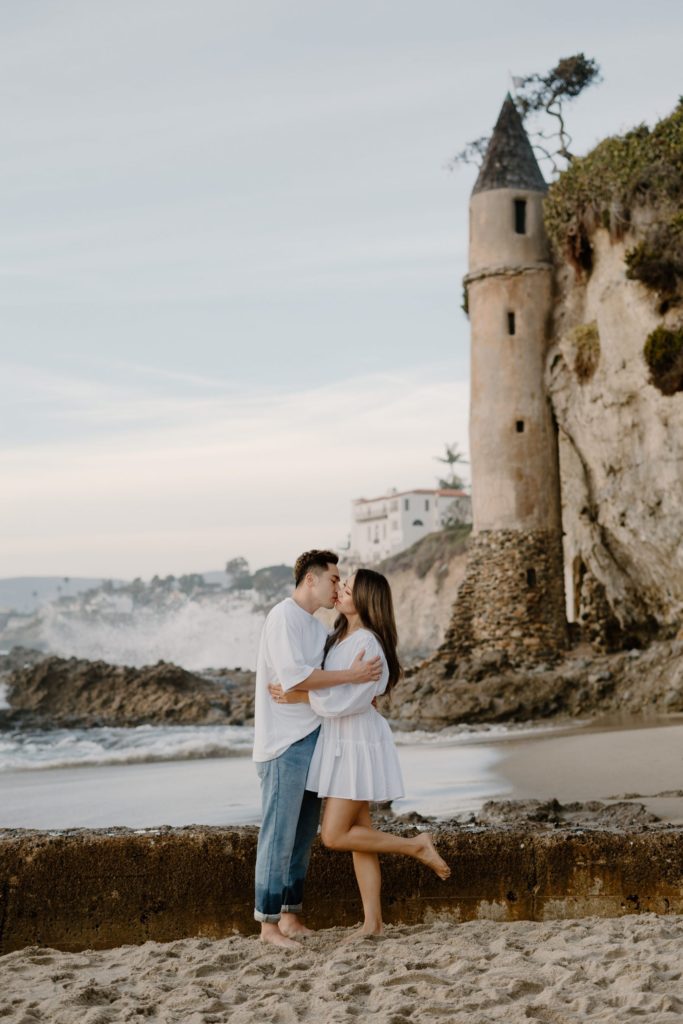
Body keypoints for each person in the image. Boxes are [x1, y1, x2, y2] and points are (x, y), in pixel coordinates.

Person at [269, 568, 450, 938]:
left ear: (366, 599)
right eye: (341, 584)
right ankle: (374, 923)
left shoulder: (369, 642)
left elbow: (346, 701)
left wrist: (298, 696)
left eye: (347, 588)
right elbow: (333, 688)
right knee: (359, 833)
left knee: (334, 835)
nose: (339, 591)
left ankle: (416, 846)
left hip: (354, 742)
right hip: (340, 741)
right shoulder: (338, 637)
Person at [252, 549, 383, 949]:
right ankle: (268, 926)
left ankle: (290, 916)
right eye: (333, 579)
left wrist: (361, 687)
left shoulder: (316, 627)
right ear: (311, 579)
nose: (337, 587)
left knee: (302, 833)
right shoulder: (283, 617)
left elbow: (319, 685)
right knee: (277, 835)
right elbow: (294, 677)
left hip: (315, 739)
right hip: (282, 744)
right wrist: (353, 675)